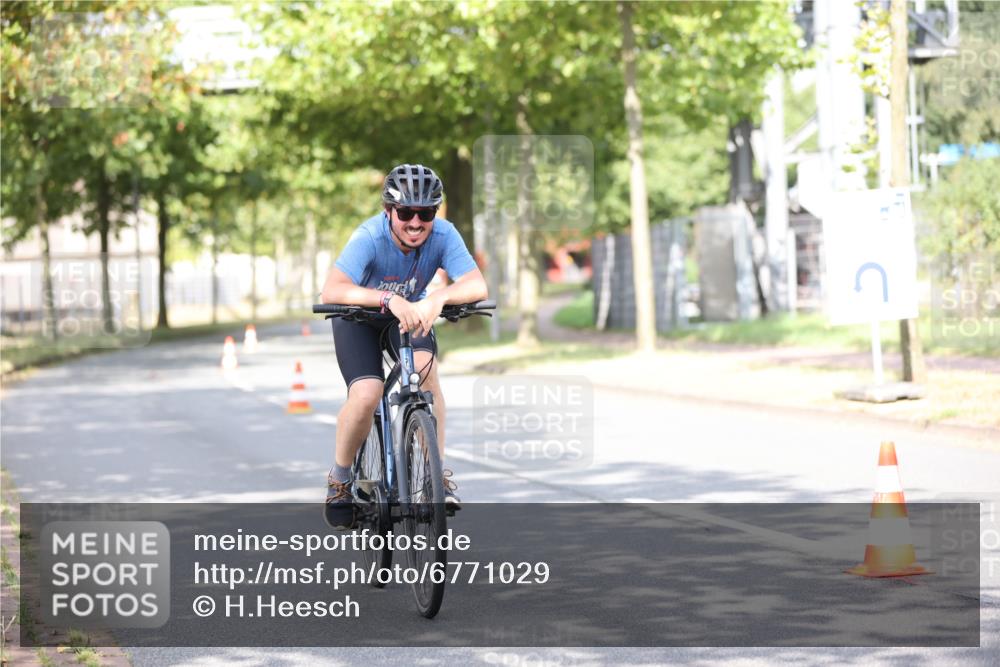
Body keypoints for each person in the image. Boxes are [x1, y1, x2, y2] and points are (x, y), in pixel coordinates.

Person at [320, 164, 488, 529]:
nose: (415, 222)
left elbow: (477, 285)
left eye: (425, 213)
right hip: (358, 317)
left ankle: (435, 478)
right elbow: (332, 290)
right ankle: (340, 480)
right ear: (388, 212)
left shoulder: (444, 235)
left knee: (427, 373)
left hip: (410, 315)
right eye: (406, 213)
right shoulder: (368, 236)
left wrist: (438, 299)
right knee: (367, 393)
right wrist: (384, 299)